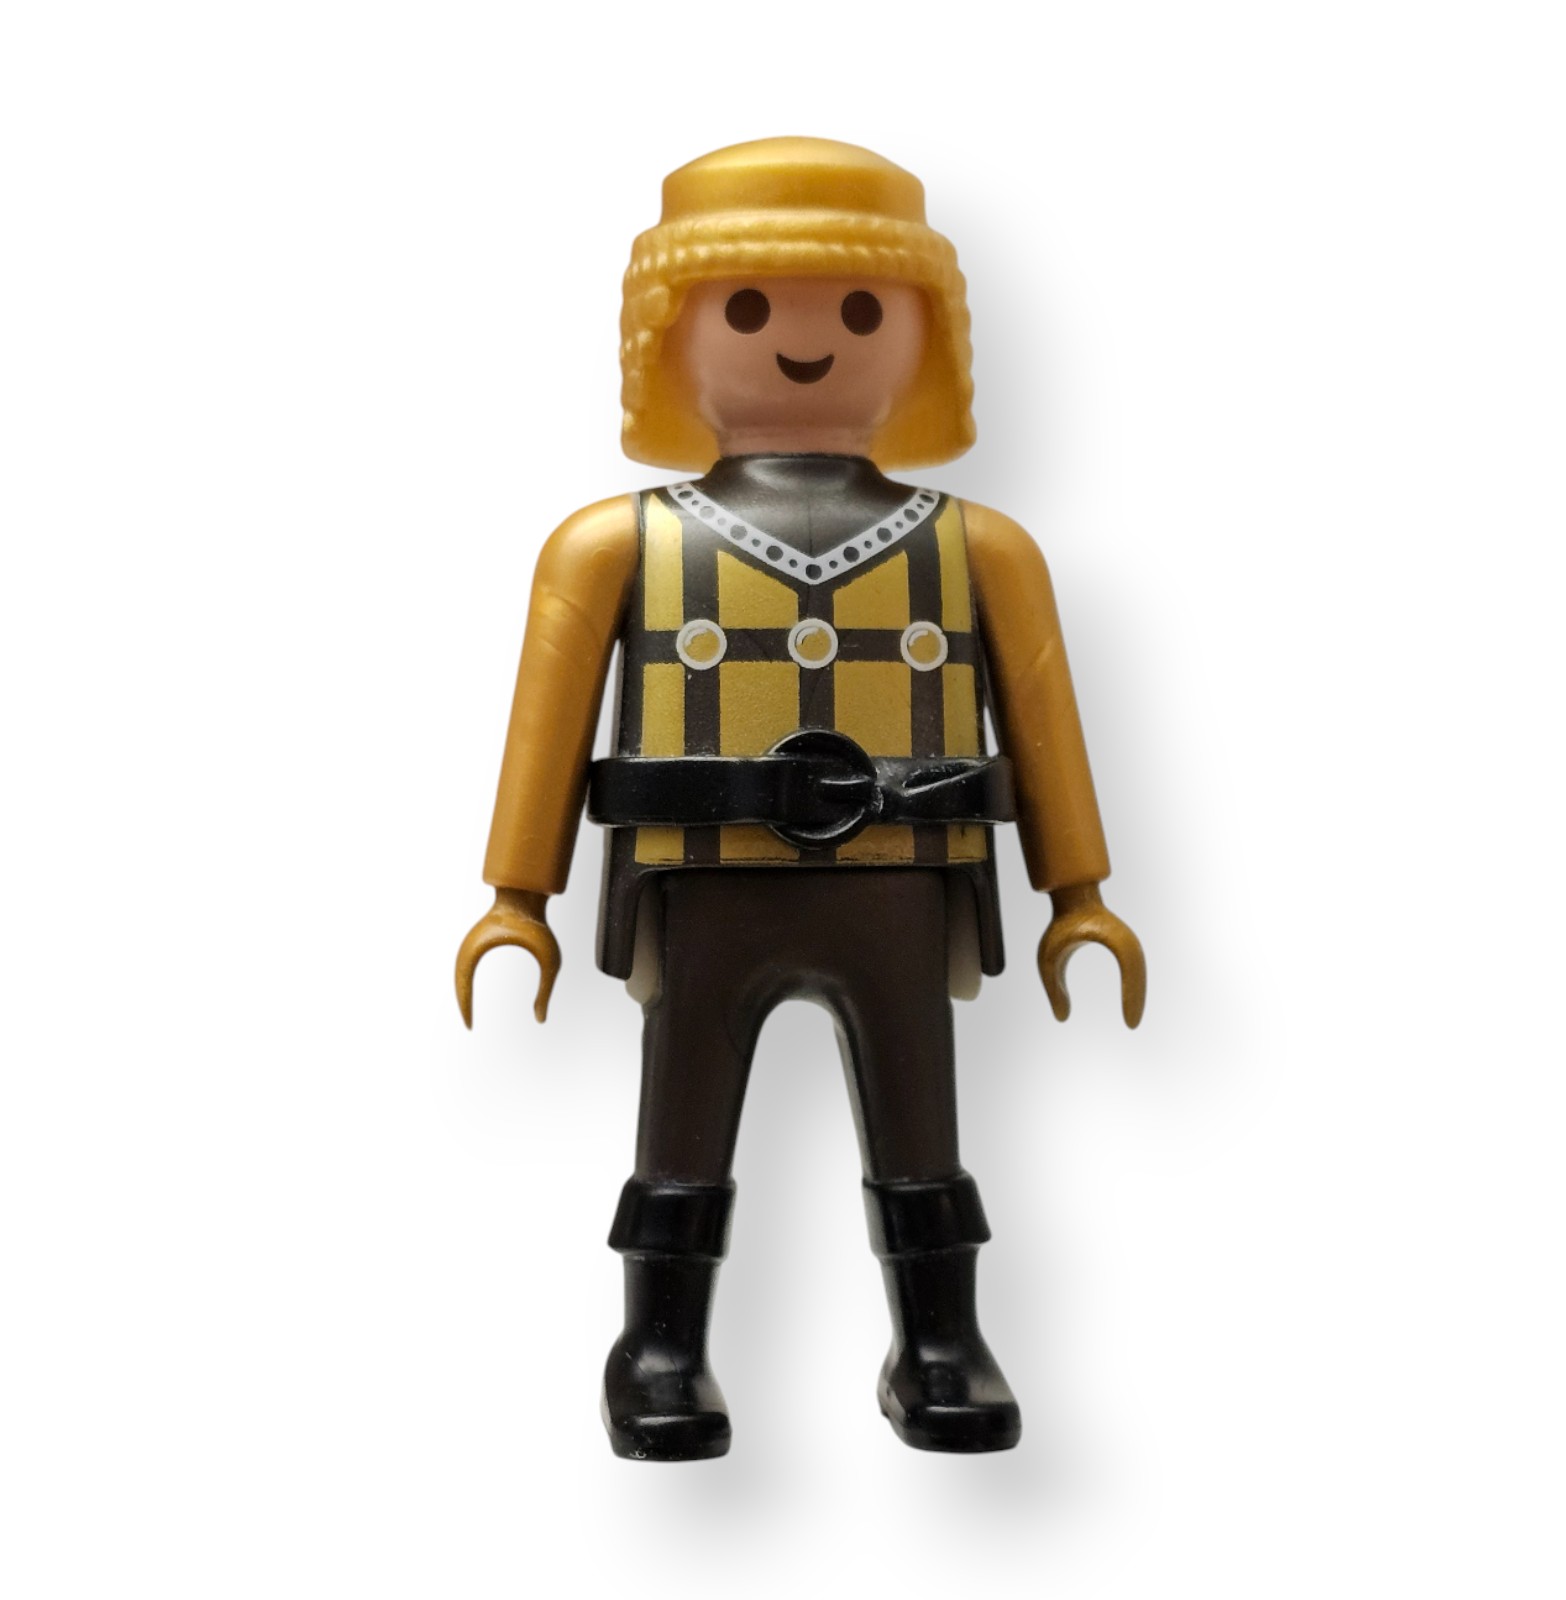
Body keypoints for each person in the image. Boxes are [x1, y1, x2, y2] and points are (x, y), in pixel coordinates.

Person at [456, 137, 1145, 1461]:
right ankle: (659, 1348)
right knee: (682, 1125)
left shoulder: (980, 550)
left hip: (901, 880)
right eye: (750, 308)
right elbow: (546, 725)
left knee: (921, 1121)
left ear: (925, 341)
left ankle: (939, 1341)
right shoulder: (614, 545)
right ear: (669, 336)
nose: (806, 340)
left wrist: (1081, 895)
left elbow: (1045, 723)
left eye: (864, 311)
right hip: (702, 879)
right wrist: (514, 898)